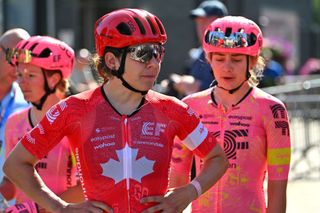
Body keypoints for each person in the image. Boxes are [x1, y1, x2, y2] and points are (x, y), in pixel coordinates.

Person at [3, 8, 228, 213]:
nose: (153, 63)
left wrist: (189, 192)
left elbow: (218, 158)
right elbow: (15, 165)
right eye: (142, 53)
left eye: (158, 52)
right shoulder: (74, 109)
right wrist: (60, 208)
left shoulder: (172, 109)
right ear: (111, 60)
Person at [169, 16, 291, 213]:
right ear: (208, 59)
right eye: (219, 58)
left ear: (251, 61)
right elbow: (177, 176)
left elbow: (278, 184)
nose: (227, 67)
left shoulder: (272, 110)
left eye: (236, 59)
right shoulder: (190, 106)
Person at [0, 35, 85, 212]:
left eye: (30, 75)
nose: (21, 82)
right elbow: (12, 181)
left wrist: (37, 208)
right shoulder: (14, 122)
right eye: (19, 75)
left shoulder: (79, 122)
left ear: (54, 79)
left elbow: (89, 186)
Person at [170, 0, 228, 98]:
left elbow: (235, 89)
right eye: (199, 22)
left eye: (207, 21)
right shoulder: (197, 54)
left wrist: (198, 86)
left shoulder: (233, 52)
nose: (201, 27)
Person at [0, 28, 30, 182]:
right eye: (14, 56)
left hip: (12, 202)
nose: (19, 66)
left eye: (26, 60)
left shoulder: (30, 102)